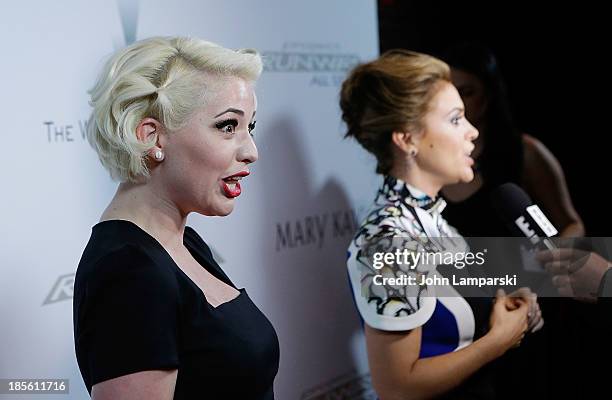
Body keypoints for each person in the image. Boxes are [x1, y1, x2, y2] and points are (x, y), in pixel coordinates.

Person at [73, 36, 279, 399]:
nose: (251, 151)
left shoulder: (184, 242)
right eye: (228, 126)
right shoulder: (128, 272)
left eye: (250, 127)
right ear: (152, 136)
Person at [340, 49, 542, 399]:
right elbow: (397, 387)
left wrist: (506, 306)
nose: (473, 131)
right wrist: (496, 341)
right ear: (407, 138)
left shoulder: (433, 219)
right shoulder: (388, 241)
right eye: (454, 119)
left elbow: (449, 323)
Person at [439, 42, 584, 238]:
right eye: (451, 93)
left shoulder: (525, 152)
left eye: (467, 92)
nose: (457, 104)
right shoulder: (431, 157)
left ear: (488, 95)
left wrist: (557, 260)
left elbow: (571, 225)